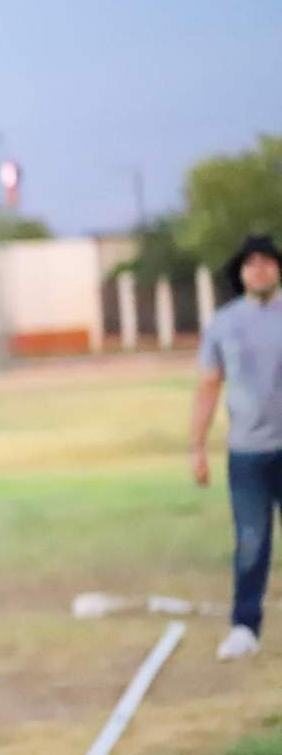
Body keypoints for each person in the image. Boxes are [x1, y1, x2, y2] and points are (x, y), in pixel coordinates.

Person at [192, 233, 282, 661]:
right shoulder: (224, 323)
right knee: (251, 543)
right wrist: (197, 448)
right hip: (247, 453)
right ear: (241, 273)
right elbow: (209, 386)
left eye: (267, 262)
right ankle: (245, 627)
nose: (260, 269)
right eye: (252, 263)